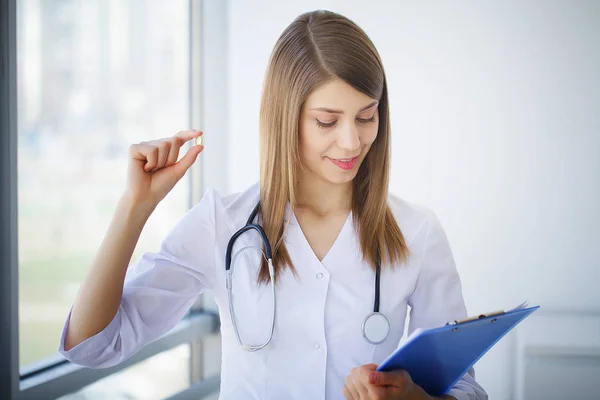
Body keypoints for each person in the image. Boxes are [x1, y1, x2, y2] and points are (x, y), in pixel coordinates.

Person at [59, 9, 488, 400]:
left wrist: (416, 399)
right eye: (327, 121)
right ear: (286, 117)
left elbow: (466, 388)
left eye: (366, 116)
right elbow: (95, 346)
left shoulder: (417, 232)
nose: (352, 141)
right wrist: (134, 207)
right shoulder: (221, 225)